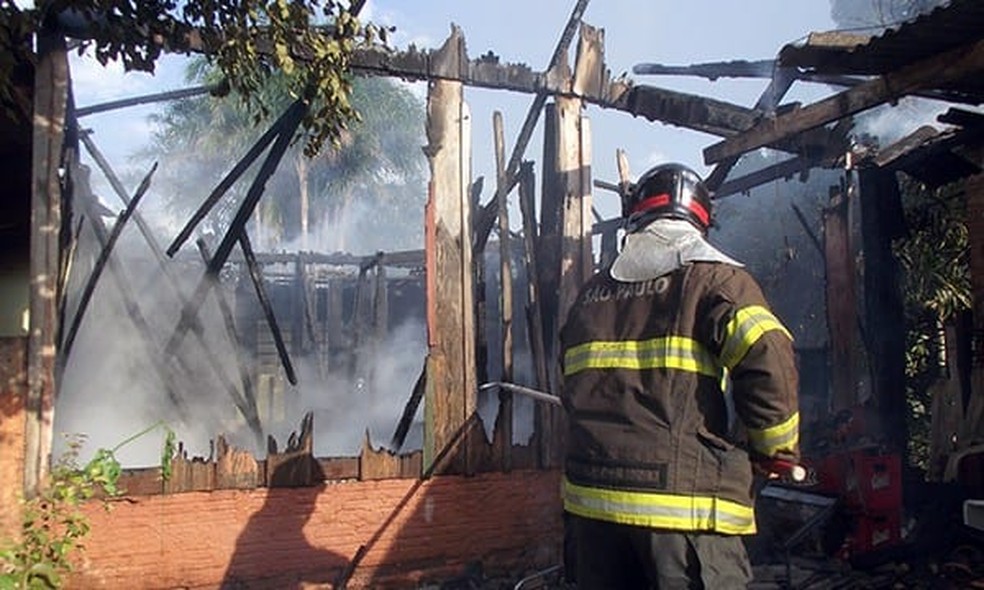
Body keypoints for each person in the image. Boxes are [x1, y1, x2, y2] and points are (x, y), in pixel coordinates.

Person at [559, 162, 800, 589]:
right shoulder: (718, 281)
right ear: (701, 222)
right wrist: (775, 449)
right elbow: (768, 357)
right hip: (681, 509)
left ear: (637, 218)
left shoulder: (590, 296)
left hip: (591, 512)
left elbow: (571, 383)